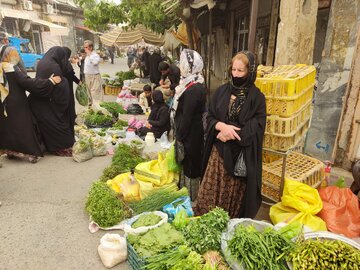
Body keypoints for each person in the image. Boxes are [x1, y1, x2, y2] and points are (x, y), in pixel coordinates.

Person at [195, 51, 266, 219]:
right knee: (209, 194)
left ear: (250, 72)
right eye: (233, 69)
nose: (235, 74)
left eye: (240, 71)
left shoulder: (257, 98)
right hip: (218, 154)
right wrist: (220, 126)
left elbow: (257, 125)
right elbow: (208, 116)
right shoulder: (221, 92)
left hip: (239, 157)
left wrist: (229, 133)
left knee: (232, 199)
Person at [0, 47, 62, 163]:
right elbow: (28, 83)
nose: (16, 56)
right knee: (24, 127)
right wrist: (50, 81)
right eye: (14, 54)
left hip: (3, 104)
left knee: (8, 128)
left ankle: (10, 151)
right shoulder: (11, 68)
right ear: (9, 56)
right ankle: (31, 153)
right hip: (17, 104)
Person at [171, 49, 206, 200]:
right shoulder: (191, 83)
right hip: (191, 133)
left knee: (191, 164)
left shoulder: (193, 89)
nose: (180, 67)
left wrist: (179, 137)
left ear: (189, 66)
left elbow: (187, 117)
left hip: (191, 135)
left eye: (182, 63)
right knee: (188, 163)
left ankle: (191, 198)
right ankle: (187, 194)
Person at [28, 46, 75, 157]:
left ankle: (50, 146)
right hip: (48, 102)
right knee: (58, 127)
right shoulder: (54, 66)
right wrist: (64, 82)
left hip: (40, 100)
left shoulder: (42, 62)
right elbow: (57, 86)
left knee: (48, 126)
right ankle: (58, 148)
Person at [62, 47, 81, 136]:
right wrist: (79, 82)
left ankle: (68, 121)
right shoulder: (66, 64)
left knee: (66, 103)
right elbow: (71, 75)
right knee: (69, 103)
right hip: (67, 87)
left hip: (62, 88)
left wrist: (79, 82)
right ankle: (71, 121)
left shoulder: (59, 63)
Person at [83, 40, 103, 104]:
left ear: (91, 48)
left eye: (86, 47)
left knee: (95, 93)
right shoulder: (87, 56)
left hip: (95, 76)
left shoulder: (95, 55)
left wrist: (90, 55)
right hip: (87, 76)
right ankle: (90, 105)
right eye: (84, 47)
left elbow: (95, 63)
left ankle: (97, 106)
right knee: (88, 92)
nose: (85, 49)